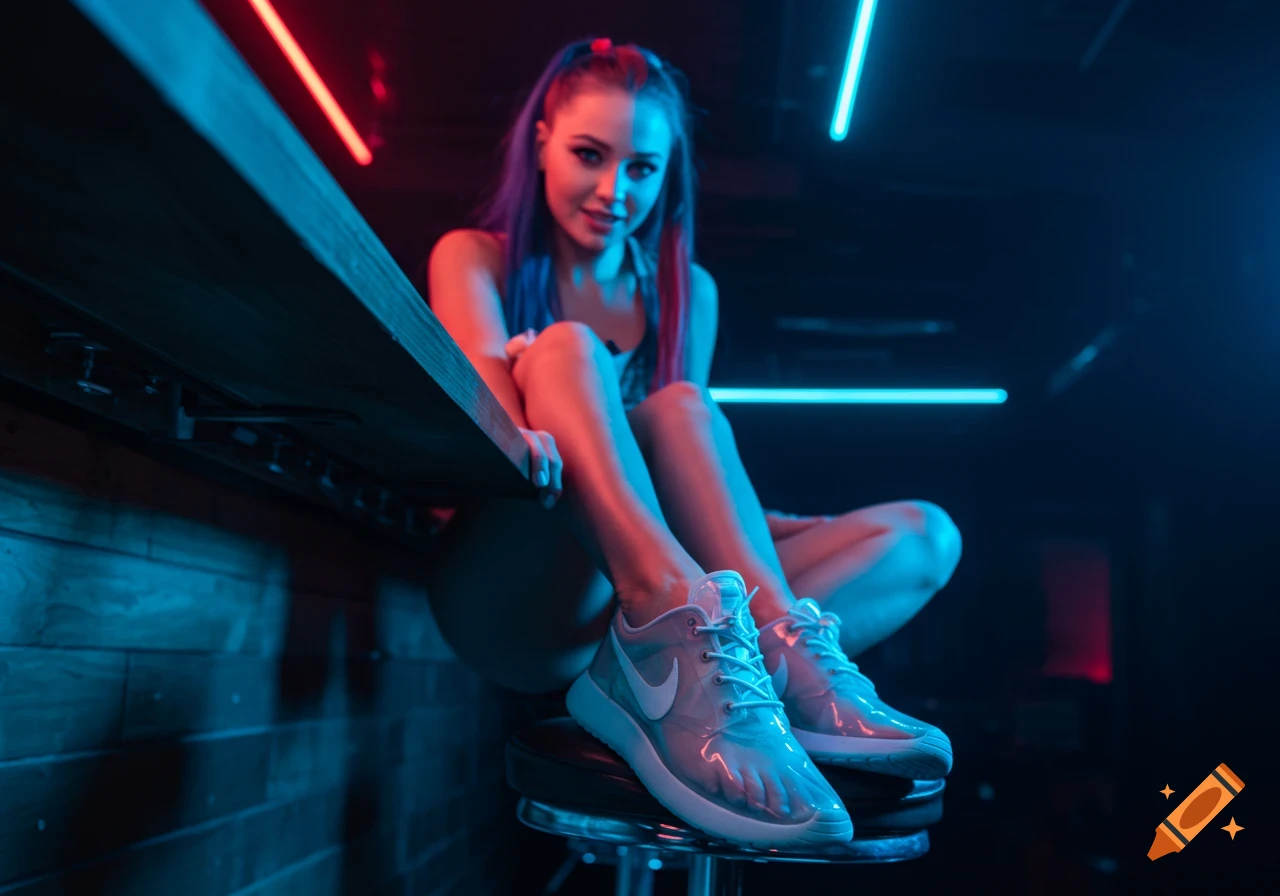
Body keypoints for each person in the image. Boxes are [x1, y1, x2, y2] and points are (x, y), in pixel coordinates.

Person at [423, 36, 963, 848]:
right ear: (541, 142)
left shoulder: (685, 293)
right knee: (571, 349)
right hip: (515, 591)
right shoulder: (476, 257)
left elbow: (677, 475)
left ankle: (768, 651)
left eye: (642, 168)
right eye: (589, 155)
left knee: (922, 533)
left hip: (632, 617)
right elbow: (500, 439)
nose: (615, 192)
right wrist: (551, 371)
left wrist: (765, 527)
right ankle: (676, 637)